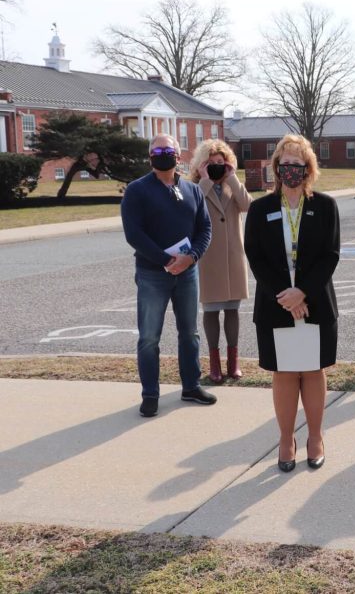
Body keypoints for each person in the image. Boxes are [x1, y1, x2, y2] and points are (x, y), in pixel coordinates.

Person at [244, 135, 340, 471]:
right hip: (276, 306)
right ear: (276, 168)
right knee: (284, 373)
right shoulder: (260, 209)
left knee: (313, 371)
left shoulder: (325, 206)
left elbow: (330, 255)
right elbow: (255, 258)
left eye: (297, 165)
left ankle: (315, 436)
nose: (290, 171)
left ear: (308, 169)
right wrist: (286, 296)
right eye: (284, 164)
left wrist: (304, 293)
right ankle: (286, 439)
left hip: (315, 305)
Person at [121, 133, 217, 418]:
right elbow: (133, 234)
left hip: (188, 273)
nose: (163, 153)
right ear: (150, 156)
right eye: (157, 149)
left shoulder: (193, 190)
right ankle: (150, 394)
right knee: (149, 337)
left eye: (168, 149)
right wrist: (166, 260)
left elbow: (205, 229)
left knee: (190, 332)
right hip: (153, 274)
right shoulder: (137, 191)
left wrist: (191, 257)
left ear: (179, 156)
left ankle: (191, 386)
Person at [189, 139, 253, 384]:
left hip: (233, 257)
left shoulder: (232, 186)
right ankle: (214, 363)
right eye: (211, 163)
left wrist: (232, 178)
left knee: (232, 310)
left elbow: (248, 205)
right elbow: (192, 207)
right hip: (208, 260)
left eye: (220, 162)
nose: (216, 167)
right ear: (200, 165)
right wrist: (205, 178)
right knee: (212, 311)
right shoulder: (195, 187)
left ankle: (233, 362)